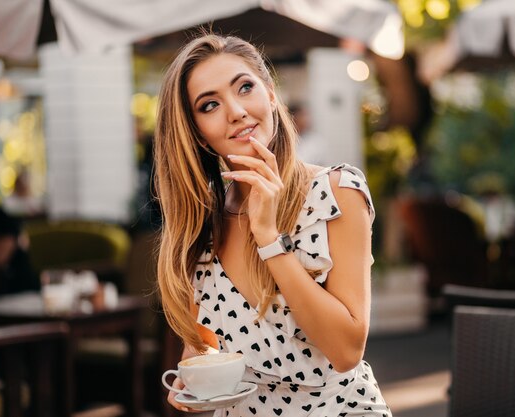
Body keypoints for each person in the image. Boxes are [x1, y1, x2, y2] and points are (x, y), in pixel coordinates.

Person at [155, 33, 390, 416]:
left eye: (244, 87)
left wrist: (268, 238)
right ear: (197, 133)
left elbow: (347, 350)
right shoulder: (202, 224)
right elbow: (206, 347)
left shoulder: (336, 192)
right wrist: (194, 383)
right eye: (210, 104)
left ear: (269, 94)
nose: (235, 110)